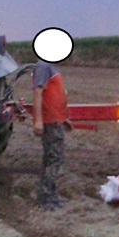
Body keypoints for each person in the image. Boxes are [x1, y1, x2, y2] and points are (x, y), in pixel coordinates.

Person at [32, 58, 69, 209]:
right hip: (50, 122)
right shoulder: (43, 66)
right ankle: (48, 199)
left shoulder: (50, 66)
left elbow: (56, 95)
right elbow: (37, 92)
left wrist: (63, 118)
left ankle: (46, 196)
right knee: (54, 159)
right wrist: (38, 121)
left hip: (56, 120)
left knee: (51, 158)